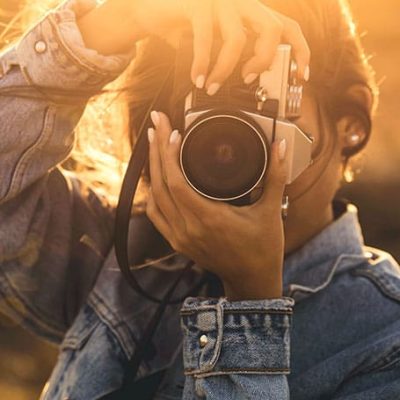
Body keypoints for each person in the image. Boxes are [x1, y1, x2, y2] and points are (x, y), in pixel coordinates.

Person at [0, 0, 399, 399]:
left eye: (263, 114)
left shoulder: (384, 338)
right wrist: (116, 22)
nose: (226, 142)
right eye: (204, 113)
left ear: (351, 121)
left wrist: (250, 301)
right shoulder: (126, 255)